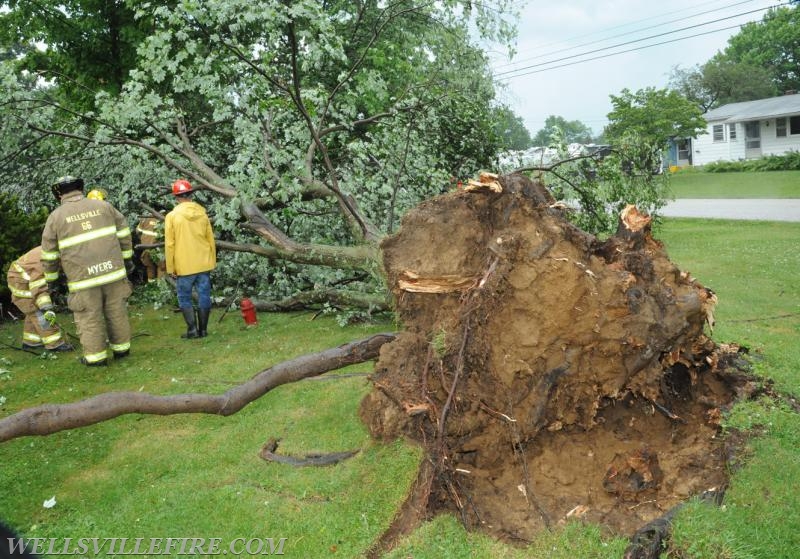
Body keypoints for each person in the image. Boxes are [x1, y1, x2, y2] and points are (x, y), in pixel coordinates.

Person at [41, 176, 134, 366]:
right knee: (116, 312)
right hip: (113, 273)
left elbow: (49, 254)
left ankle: (96, 358)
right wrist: (127, 260)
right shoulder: (104, 207)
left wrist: (51, 280)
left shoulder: (56, 217)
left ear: (59, 194)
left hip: (83, 280)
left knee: (89, 317)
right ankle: (122, 349)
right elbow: (124, 234)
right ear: (81, 188)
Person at [164, 179, 216, 339]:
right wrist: (212, 261)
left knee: (184, 296)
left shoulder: (172, 216)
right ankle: (204, 330)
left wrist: (170, 267)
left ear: (176, 197)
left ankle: (192, 330)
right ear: (191, 194)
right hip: (203, 262)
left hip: (184, 264)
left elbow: (170, 244)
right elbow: (210, 239)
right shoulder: (202, 213)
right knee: (204, 295)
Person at [6, 246, 73, 353]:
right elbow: (39, 289)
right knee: (39, 312)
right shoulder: (44, 263)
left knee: (32, 312)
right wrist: (47, 308)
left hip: (21, 277)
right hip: (20, 282)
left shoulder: (52, 251)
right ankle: (55, 344)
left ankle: (31, 342)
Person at [136, 215, 166, 282]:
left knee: (150, 266)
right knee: (162, 268)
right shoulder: (165, 218)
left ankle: (151, 284)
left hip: (146, 248)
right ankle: (161, 286)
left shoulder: (144, 218)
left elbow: (137, 232)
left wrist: (144, 241)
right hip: (159, 251)